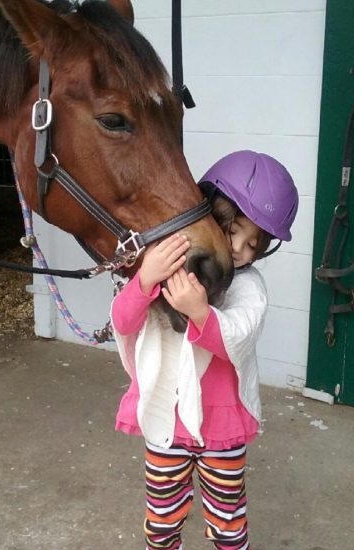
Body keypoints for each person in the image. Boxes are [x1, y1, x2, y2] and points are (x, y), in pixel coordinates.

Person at [111, 150, 298, 550]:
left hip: (223, 428)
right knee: (161, 520)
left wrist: (200, 314)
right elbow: (125, 324)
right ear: (209, 212)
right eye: (234, 231)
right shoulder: (174, 265)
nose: (240, 251)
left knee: (228, 521)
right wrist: (144, 280)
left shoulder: (249, 287)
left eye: (254, 245)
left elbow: (239, 336)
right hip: (168, 419)